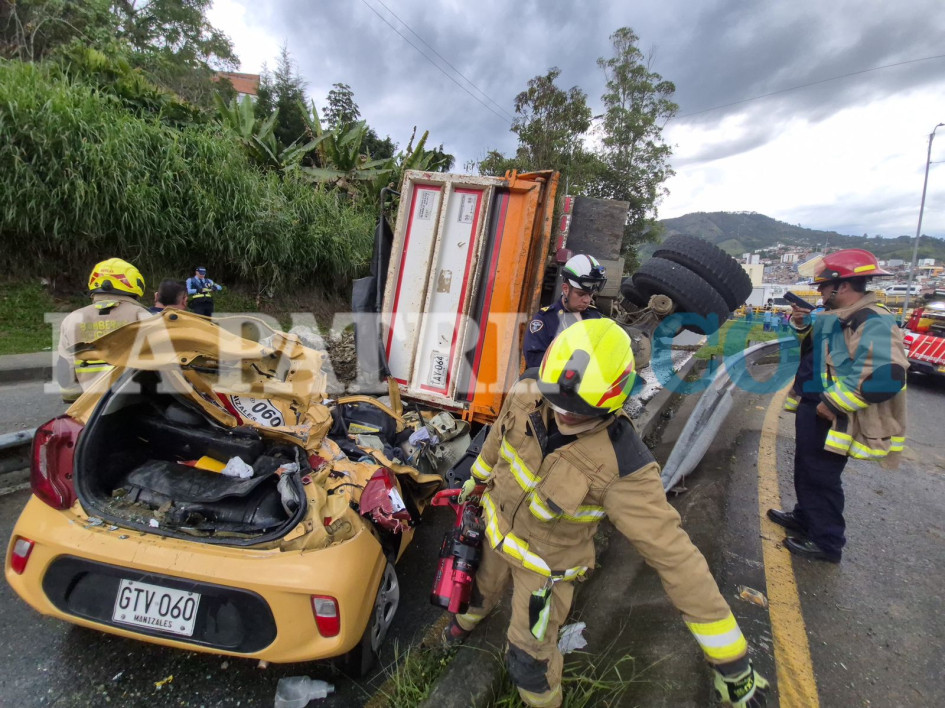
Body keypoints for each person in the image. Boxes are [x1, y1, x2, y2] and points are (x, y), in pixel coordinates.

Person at [445, 319, 769, 707]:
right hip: (494, 538)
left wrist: (731, 662)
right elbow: (496, 442)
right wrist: (475, 484)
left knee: (529, 661)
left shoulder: (623, 466)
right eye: (557, 401)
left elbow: (677, 559)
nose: (563, 414)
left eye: (578, 410)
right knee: (472, 596)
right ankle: (459, 629)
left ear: (617, 398)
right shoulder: (528, 390)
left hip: (545, 575)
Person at [770, 249, 907, 563]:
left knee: (821, 476)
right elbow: (820, 353)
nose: (818, 291)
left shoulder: (873, 320)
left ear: (842, 286)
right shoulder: (841, 316)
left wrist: (833, 403)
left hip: (830, 414)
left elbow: (887, 377)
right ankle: (805, 518)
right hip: (813, 406)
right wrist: (803, 323)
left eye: (822, 286)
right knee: (806, 469)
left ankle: (827, 542)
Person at [57, 258, 150, 402]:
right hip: (135, 405)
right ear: (134, 284)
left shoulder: (72, 319)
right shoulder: (142, 316)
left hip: (90, 411)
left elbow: (67, 386)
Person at [522, 254, 606, 368]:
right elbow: (535, 364)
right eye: (581, 294)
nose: (587, 300)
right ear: (566, 289)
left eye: (590, 294)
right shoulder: (544, 320)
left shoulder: (596, 317)